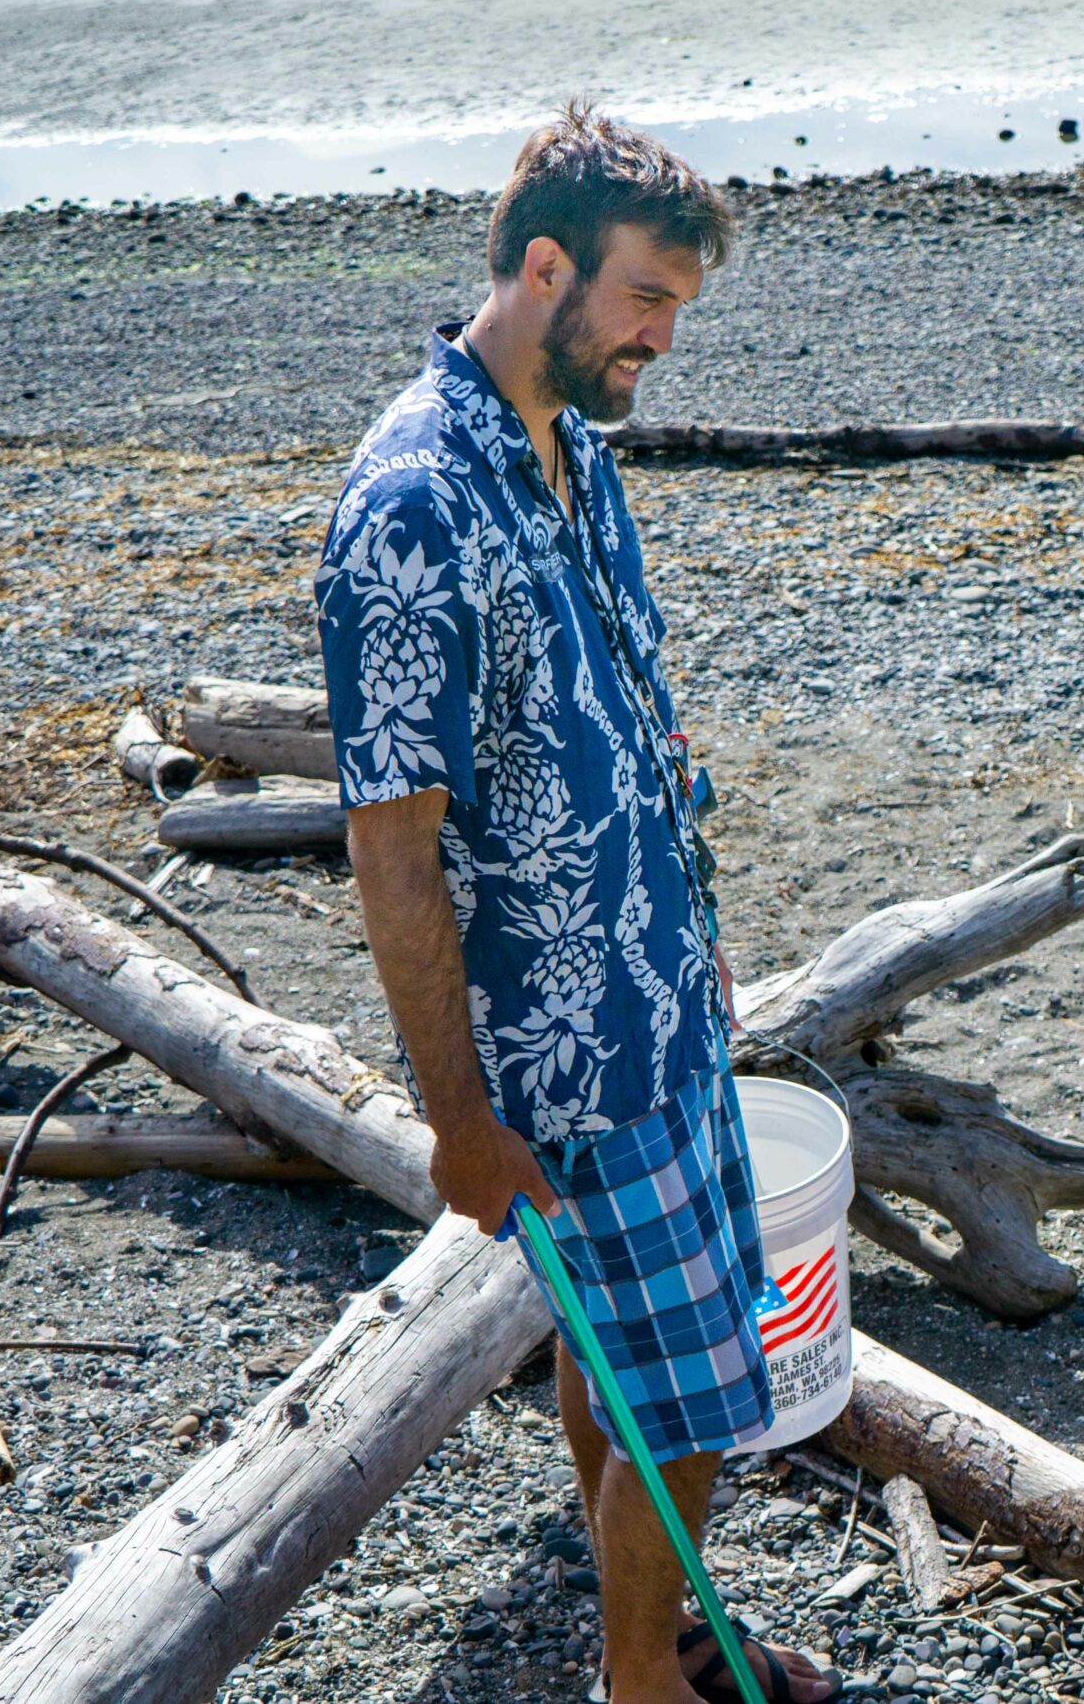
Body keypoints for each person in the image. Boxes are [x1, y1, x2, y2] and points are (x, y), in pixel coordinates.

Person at [315, 104, 837, 1704]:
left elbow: (629, 719)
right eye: (642, 300)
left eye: (679, 307)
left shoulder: (575, 448)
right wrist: (457, 1118)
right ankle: (641, 1682)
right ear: (544, 265)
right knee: (693, 1396)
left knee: (623, 1357)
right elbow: (393, 851)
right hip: (567, 1059)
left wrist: (701, 934)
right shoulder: (414, 505)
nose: (662, 340)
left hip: (664, 1000)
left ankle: (646, 1627)